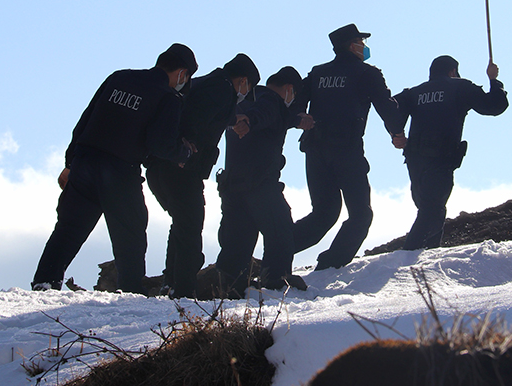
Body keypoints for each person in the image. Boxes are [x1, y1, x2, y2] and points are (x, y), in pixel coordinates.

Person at [32, 44, 197, 294]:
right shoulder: (167, 97)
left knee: (69, 228)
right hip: (120, 170)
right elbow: (159, 143)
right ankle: (129, 292)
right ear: (182, 73)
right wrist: (183, 152)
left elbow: (85, 119)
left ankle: (45, 281)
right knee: (130, 232)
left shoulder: (119, 77)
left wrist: (70, 163)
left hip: (85, 160)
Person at [291, 23, 407, 271]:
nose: (364, 47)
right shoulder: (367, 73)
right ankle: (329, 267)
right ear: (351, 45)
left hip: (315, 150)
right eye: (361, 42)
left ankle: (277, 252)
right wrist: (397, 133)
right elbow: (386, 107)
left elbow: (294, 106)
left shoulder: (317, 73)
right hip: (346, 151)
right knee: (361, 214)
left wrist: (299, 119)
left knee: (323, 214)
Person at [145, 53, 259, 299]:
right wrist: (187, 149)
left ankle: (171, 282)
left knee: (183, 223)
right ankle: (184, 290)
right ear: (242, 80)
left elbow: (211, 112)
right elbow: (198, 116)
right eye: (247, 87)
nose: (244, 94)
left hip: (162, 165)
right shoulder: (220, 89)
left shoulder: (209, 84)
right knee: (190, 226)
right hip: (180, 167)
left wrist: (233, 119)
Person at [393, 56, 508, 250]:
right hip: (441, 158)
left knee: (428, 206)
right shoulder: (460, 87)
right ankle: (411, 255)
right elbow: (494, 106)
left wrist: (396, 133)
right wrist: (494, 81)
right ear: (452, 71)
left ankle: (428, 252)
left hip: (415, 161)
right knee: (433, 208)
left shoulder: (415, 92)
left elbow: (392, 108)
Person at [214, 66, 308, 293]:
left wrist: (295, 120)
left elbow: (276, 119)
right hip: (259, 185)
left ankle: (229, 287)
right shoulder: (270, 101)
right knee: (280, 230)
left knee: (238, 239)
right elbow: (264, 114)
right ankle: (276, 280)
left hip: (233, 186)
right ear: (288, 89)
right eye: (294, 95)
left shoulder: (243, 101)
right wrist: (250, 121)